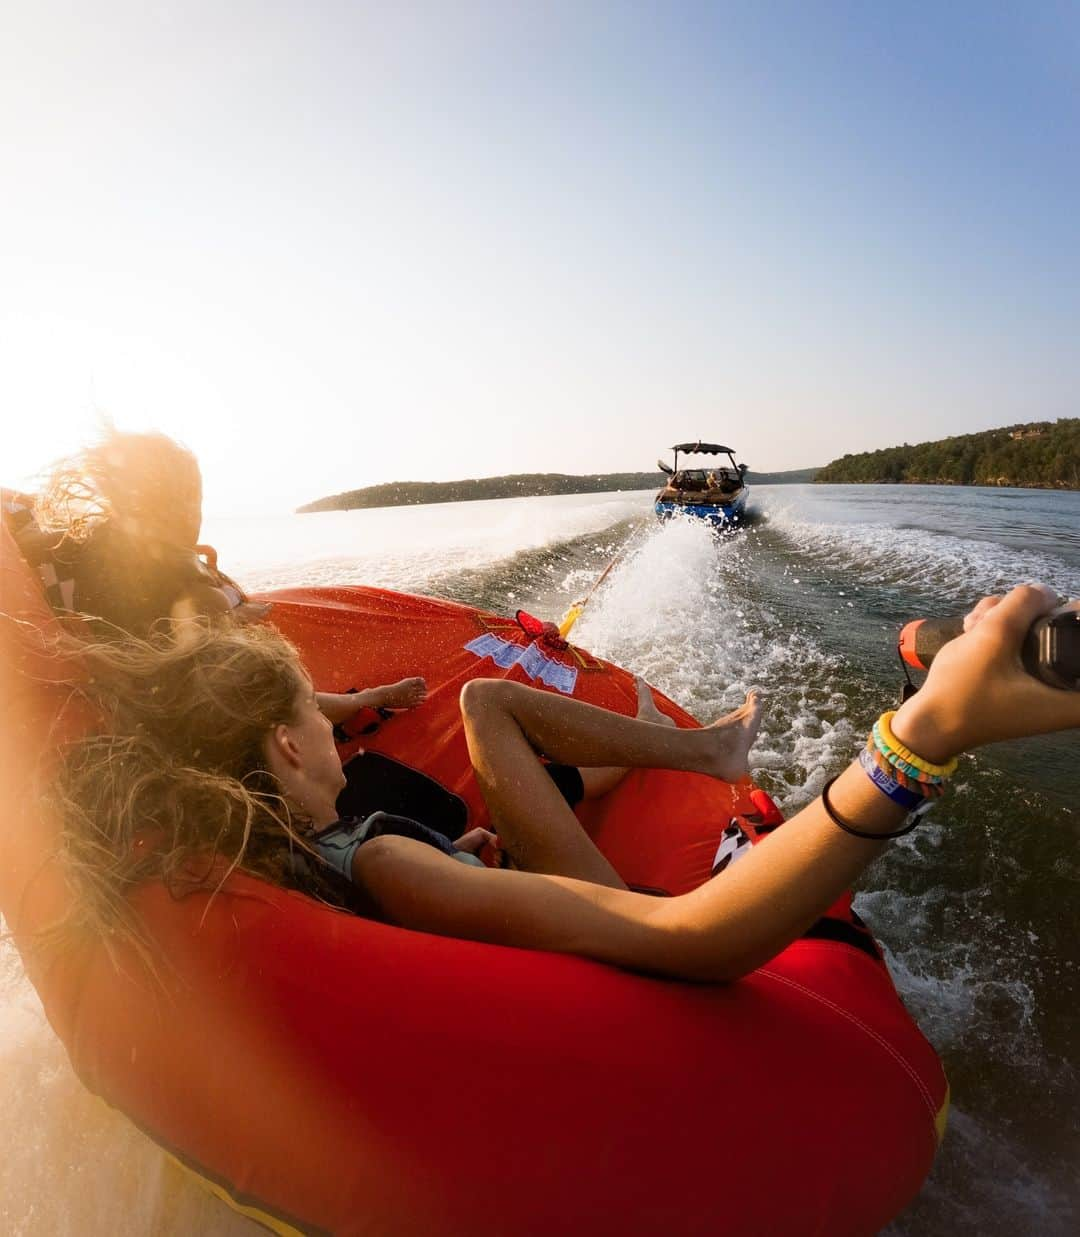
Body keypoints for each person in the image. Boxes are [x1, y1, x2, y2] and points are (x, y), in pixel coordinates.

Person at [47, 584, 1079, 981]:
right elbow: (696, 941)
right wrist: (924, 737)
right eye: (316, 715)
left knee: (488, 724)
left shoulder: (336, 841)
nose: (338, 729)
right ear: (281, 747)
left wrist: (456, 847)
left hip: (476, 865)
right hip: (643, 948)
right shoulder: (387, 860)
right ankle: (711, 753)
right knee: (487, 704)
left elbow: (457, 864)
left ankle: (687, 751)